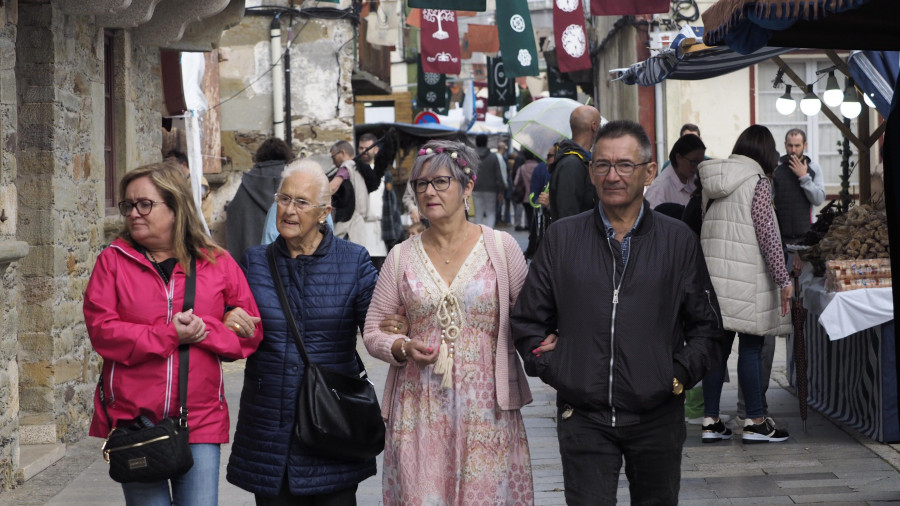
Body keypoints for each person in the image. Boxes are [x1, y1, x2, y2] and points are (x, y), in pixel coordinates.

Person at [512, 120, 723, 504]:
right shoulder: (562, 237)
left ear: (647, 170)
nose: (613, 176)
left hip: (656, 414)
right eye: (603, 165)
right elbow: (528, 320)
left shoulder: (678, 240)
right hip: (584, 415)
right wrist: (556, 368)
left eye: (625, 165)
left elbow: (707, 328)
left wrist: (674, 377)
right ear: (591, 172)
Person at [363, 140, 535, 505]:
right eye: (421, 184)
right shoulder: (401, 257)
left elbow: (532, 319)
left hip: (487, 409)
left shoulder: (502, 250)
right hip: (418, 408)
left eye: (441, 182)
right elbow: (374, 329)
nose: (429, 191)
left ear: (467, 186)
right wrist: (401, 346)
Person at [84, 161, 263, 506]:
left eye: (145, 204)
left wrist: (204, 330)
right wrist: (169, 335)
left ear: (176, 205)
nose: (133, 213)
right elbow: (103, 332)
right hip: (136, 420)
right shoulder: (113, 261)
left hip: (200, 418)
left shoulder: (218, 262)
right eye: (128, 205)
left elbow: (249, 337)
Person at [227, 159, 379, 504]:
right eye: (284, 199)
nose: (289, 210)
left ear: (324, 212)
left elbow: (377, 326)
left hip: (332, 425)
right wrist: (228, 320)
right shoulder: (253, 263)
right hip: (270, 431)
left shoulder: (353, 261)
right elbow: (229, 334)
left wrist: (397, 327)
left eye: (301, 202)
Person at [698, 125, 793, 444]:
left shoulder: (712, 180)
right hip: (748, 279)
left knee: (717, 349)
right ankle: (754, 420)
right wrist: (783, 279)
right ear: (766, 152)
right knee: (751, 347)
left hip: (713, 280)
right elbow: (767, 234)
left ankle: (711, 420)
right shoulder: (758, 182)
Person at [227, 138, 294, 261]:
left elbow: (234, 212)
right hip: (291, 257)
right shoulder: (293, 178)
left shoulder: (249, 182)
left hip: (255, 260)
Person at [330, 140, 388, 265]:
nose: (333, 162)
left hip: (348, 226)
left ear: (342, 153)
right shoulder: (359, 168)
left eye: (333, 157)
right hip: (359, 226)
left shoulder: (347, 167)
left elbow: (332, 188)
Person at [774, 128, 826, 244]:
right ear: (785, 145)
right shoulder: (776, 168)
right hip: (780, 237)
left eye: (797, 146)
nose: (793, 150)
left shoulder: (814, 168)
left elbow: (818, 200)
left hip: (807, 235)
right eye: (790, 145)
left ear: (805, 145)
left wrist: (804, 177)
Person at [549, 105, 601, 221]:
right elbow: (568, 215)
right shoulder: (571, 165)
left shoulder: (581, 160)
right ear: (593, 126)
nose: (601, 128)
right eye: (599, 123)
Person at [644, 134, 706, 208]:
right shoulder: (659, 189)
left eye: (700, 163)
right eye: (693, 162)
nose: (697, 167)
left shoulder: (694, 179)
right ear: (678, 158)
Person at [472, 134, 506, 227]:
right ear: (487, 143)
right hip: (491, 189)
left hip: (475, 187)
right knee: (491, 213)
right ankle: (489, 234)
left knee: (478, 213)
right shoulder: (493, 157)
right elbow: (499, 175)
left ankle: (478, 235)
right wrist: (501, 191)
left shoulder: (472, 157)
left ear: (476, 143)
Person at [513, 149, 537, 231]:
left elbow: (516, 182)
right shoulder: (538, 167)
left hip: (526, 195)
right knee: (535, 214)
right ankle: (532, 227)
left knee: (528, 213)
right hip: (537, 195)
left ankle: (528, 226)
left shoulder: (522, 168)